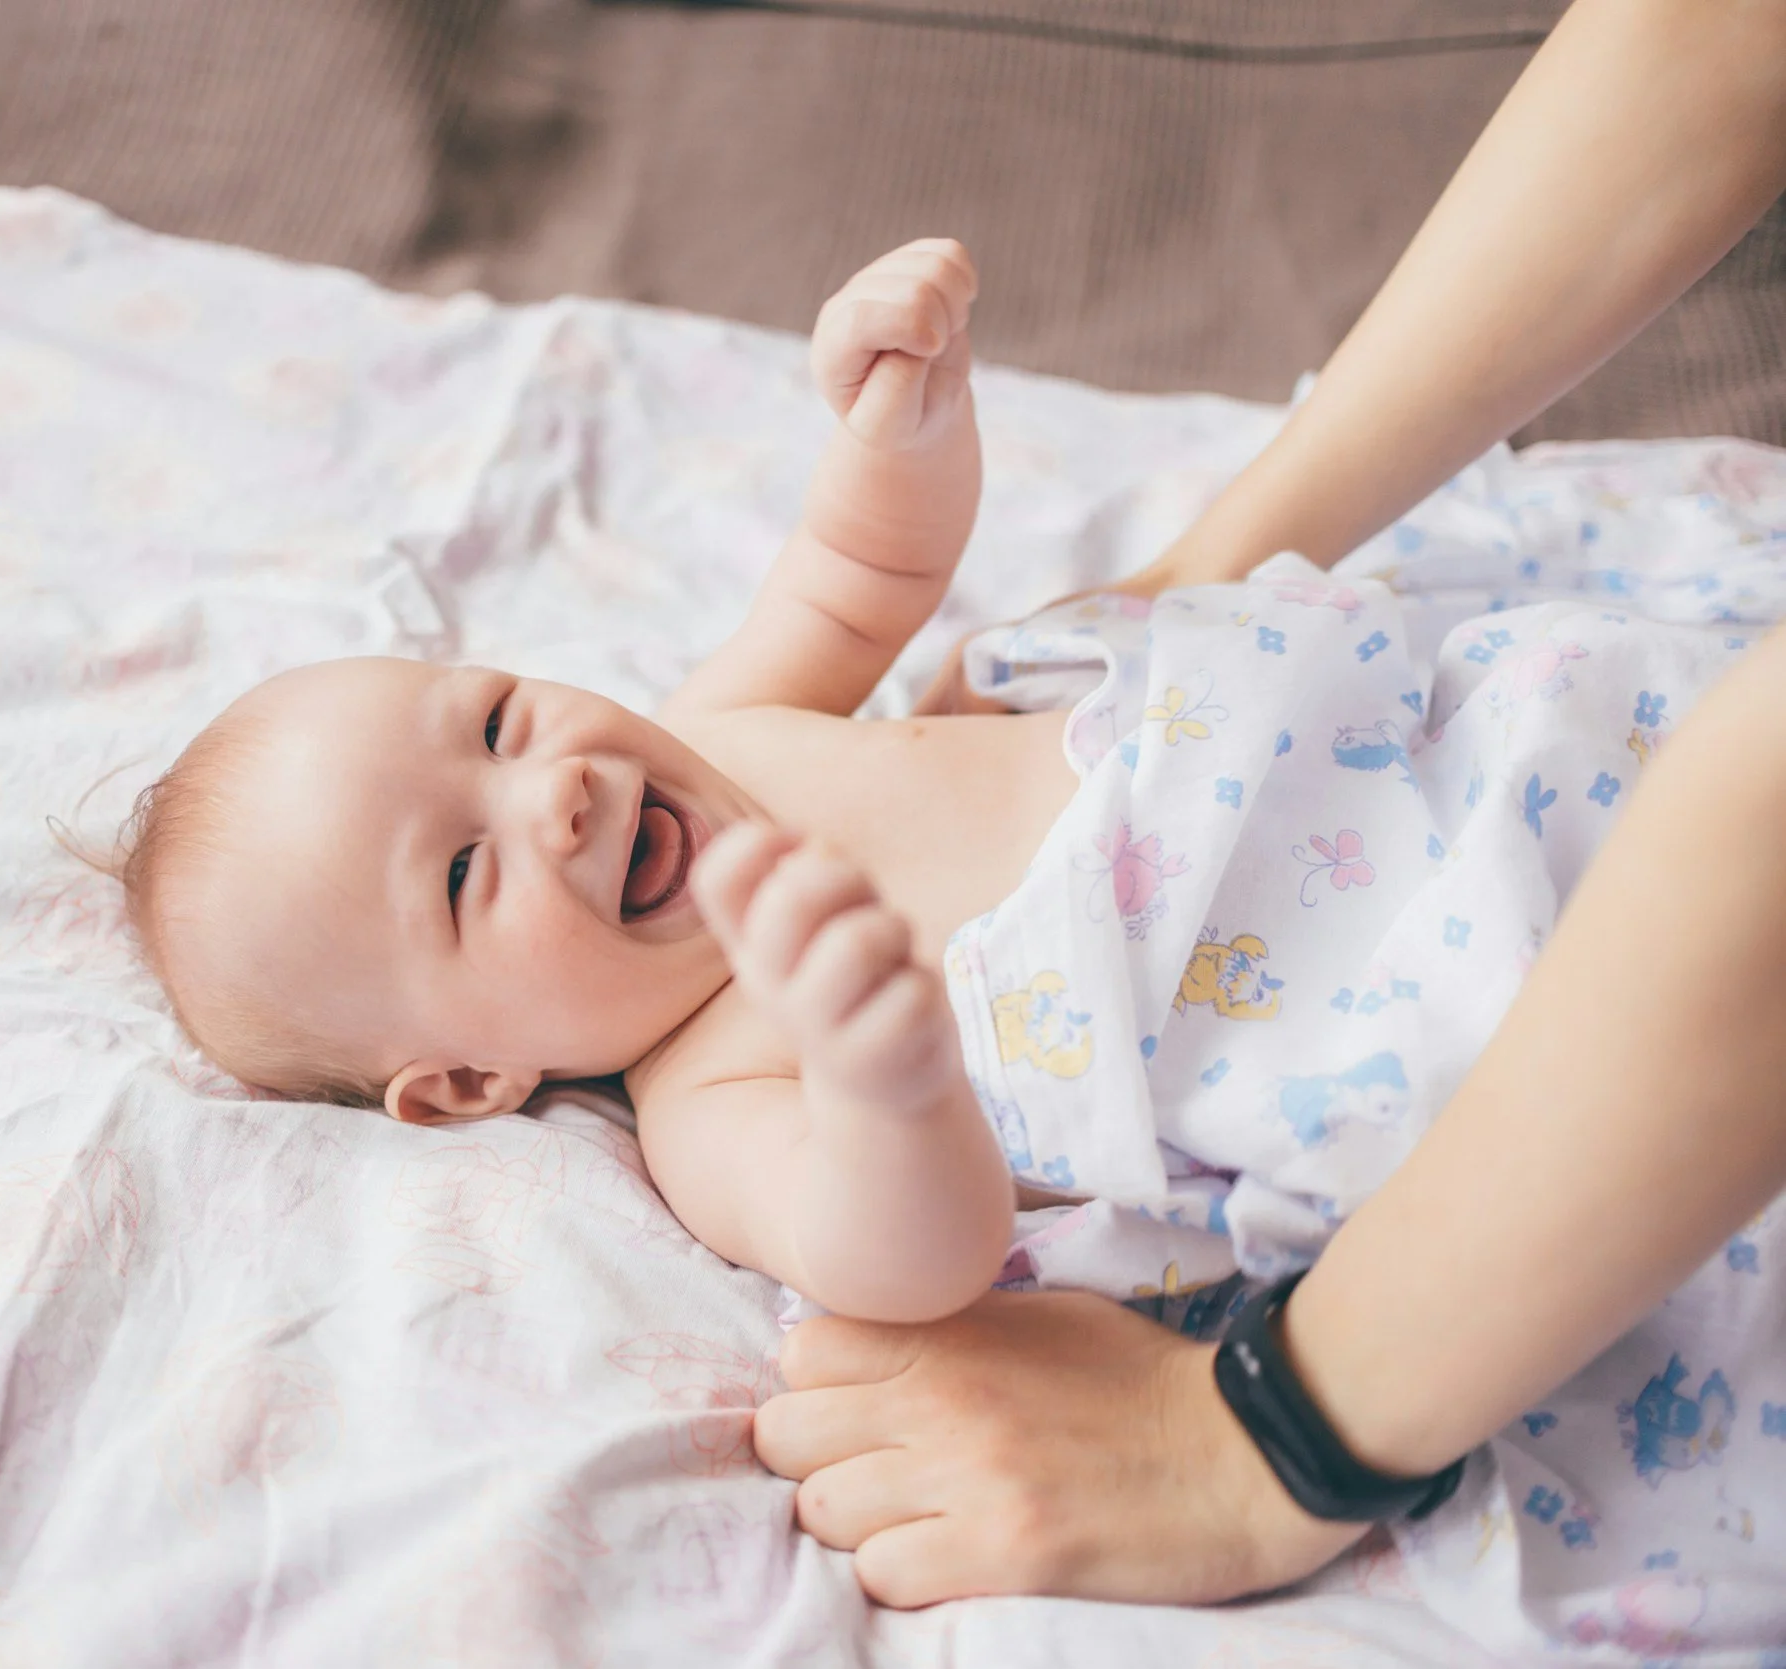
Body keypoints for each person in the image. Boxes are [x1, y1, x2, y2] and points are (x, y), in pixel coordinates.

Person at [752, 0, 1786, 1620]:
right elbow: (895, 1255)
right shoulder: (705, 1063)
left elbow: (856, 576)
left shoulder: (698, 736)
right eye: (458, 866)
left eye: (498, 721)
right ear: (463, 1072)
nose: (557, 795)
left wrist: (900, 422)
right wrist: (886, 1076)